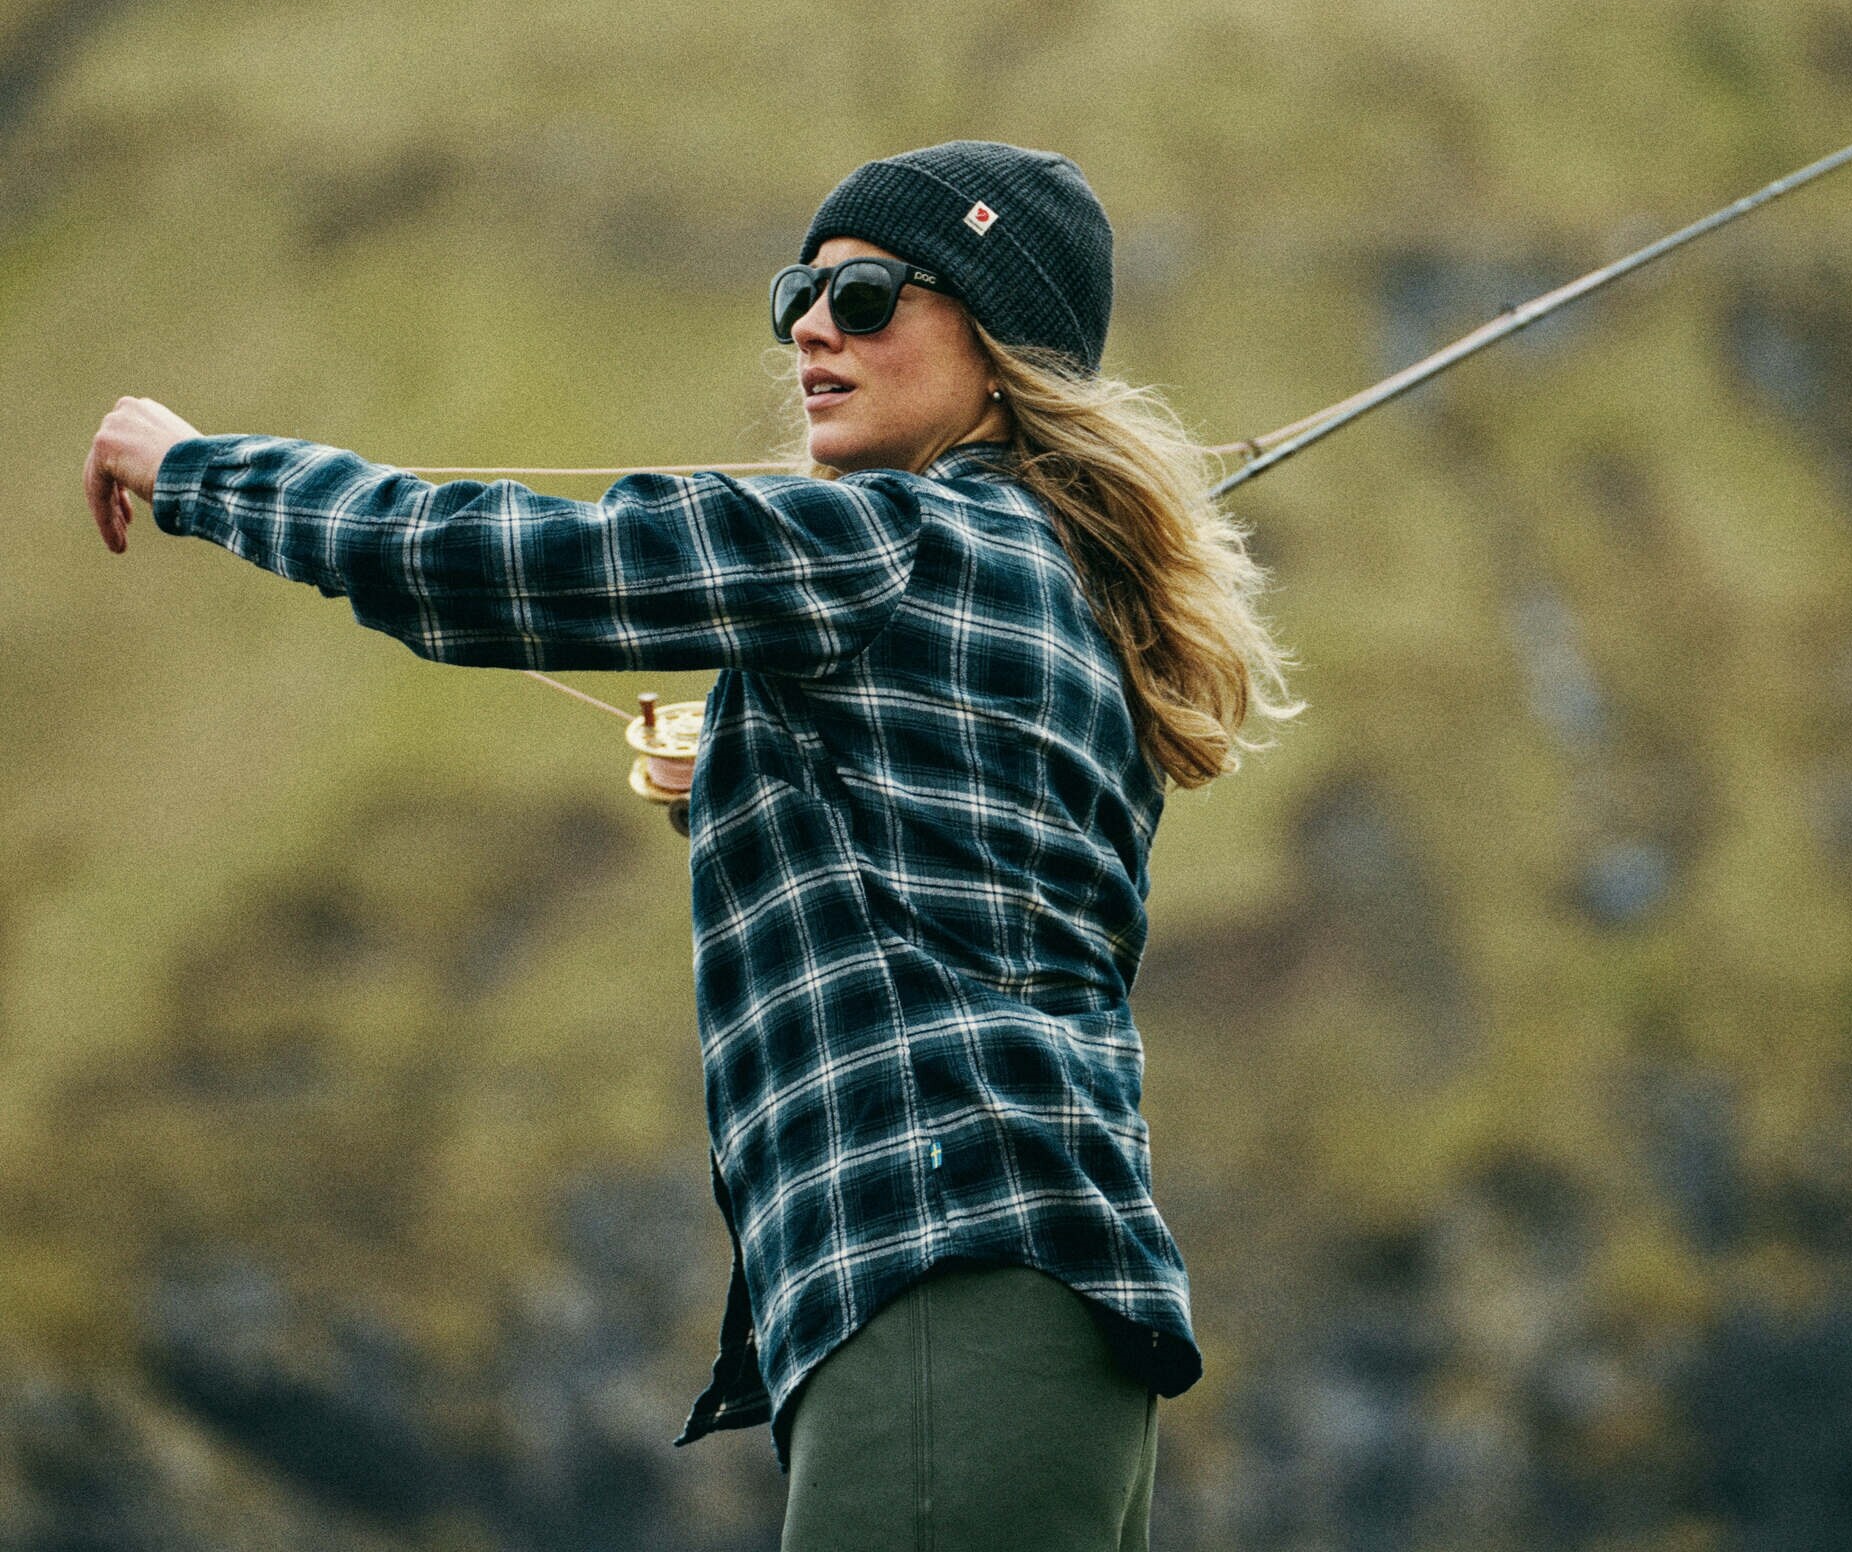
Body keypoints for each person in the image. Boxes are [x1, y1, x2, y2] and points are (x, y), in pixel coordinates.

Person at [84, 139, 1298, 1550]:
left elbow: (507, 564)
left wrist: (197, 472)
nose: (809, 326)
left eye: (865, 293)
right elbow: (944, 873)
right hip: (1059, 1324)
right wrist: (733, 778)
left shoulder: (886, 544)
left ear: (999, 338)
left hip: (939, 1287)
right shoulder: (1072, 600)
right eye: (801, 290)